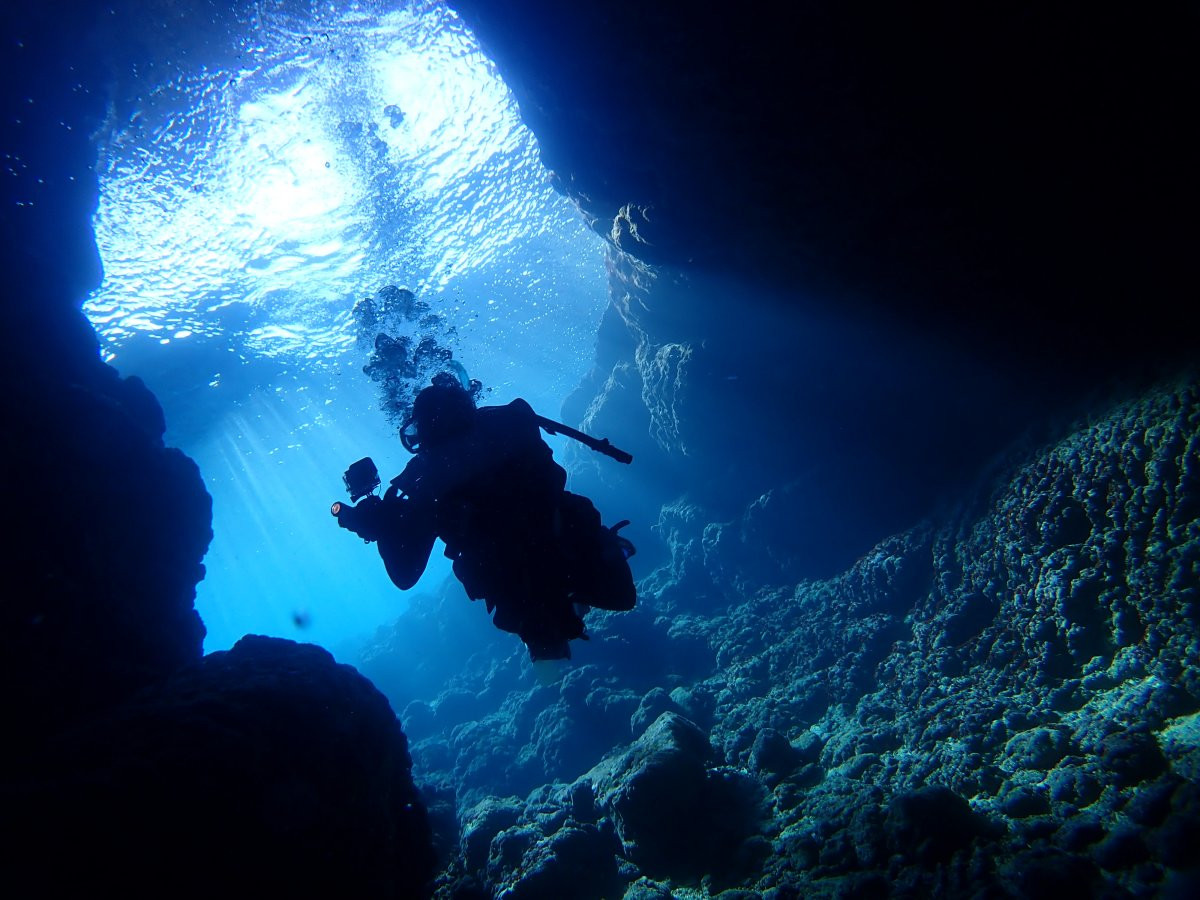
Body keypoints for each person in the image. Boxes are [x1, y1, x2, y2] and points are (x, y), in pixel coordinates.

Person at [333, 373, 637, 661]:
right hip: (568, 546)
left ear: (421, 432)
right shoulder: (509, 423)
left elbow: (404, 575)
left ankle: (561, 619)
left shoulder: (424, 480)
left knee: (548, 640)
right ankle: (571, 602)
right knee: (617, 598)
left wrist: (381, 528)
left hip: (517, 583)